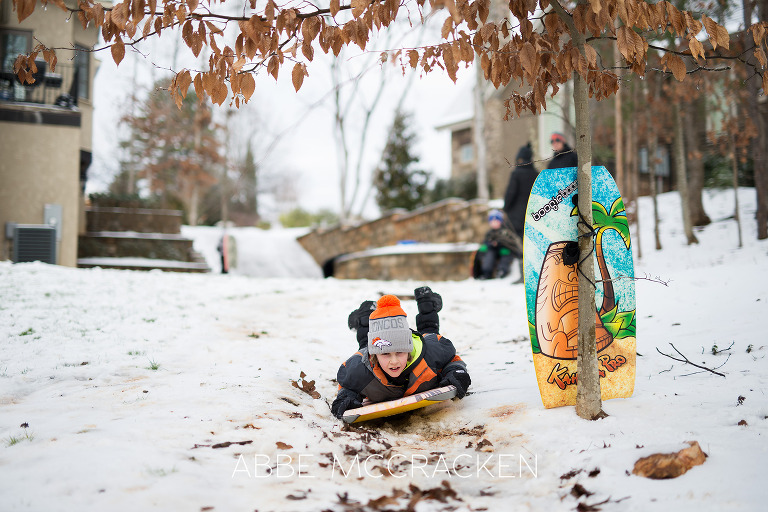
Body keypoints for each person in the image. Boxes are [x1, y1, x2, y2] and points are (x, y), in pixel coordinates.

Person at [331, 287, 470, 419]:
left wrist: (455, 371)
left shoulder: (431, 354)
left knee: (429, 332)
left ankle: (427, 303)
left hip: (423, 345)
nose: (394, 361)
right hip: (373, 350)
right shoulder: (360, 370)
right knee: (365, 344)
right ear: (374, 355)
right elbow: (347, 383)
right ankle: (364, 316)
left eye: (400, 352)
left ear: (408, 349)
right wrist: (346, 396)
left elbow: (452, 359)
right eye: (385, 354)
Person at [503, 143, 538, 283]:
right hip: (533, 214)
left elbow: (510, 194)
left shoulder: (517, 173)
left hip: (517, 217)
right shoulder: (536, 173)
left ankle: (524, 275)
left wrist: (506, 208)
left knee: (520, 246)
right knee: (531, 245)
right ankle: (533, 274)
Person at [476, 209, 522, 280]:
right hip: (493, 250)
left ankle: (502, 271)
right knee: (489, 255)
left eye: (496, 221)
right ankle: (487, 273)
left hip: (504, 250)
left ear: (500, 221)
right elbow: (485, 242)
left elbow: (510, 242)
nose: (494, 223)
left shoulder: (505, 231)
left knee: (505, 255)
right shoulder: (489, 233)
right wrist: (489, 244)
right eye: (492, 221)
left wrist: (499, 244)